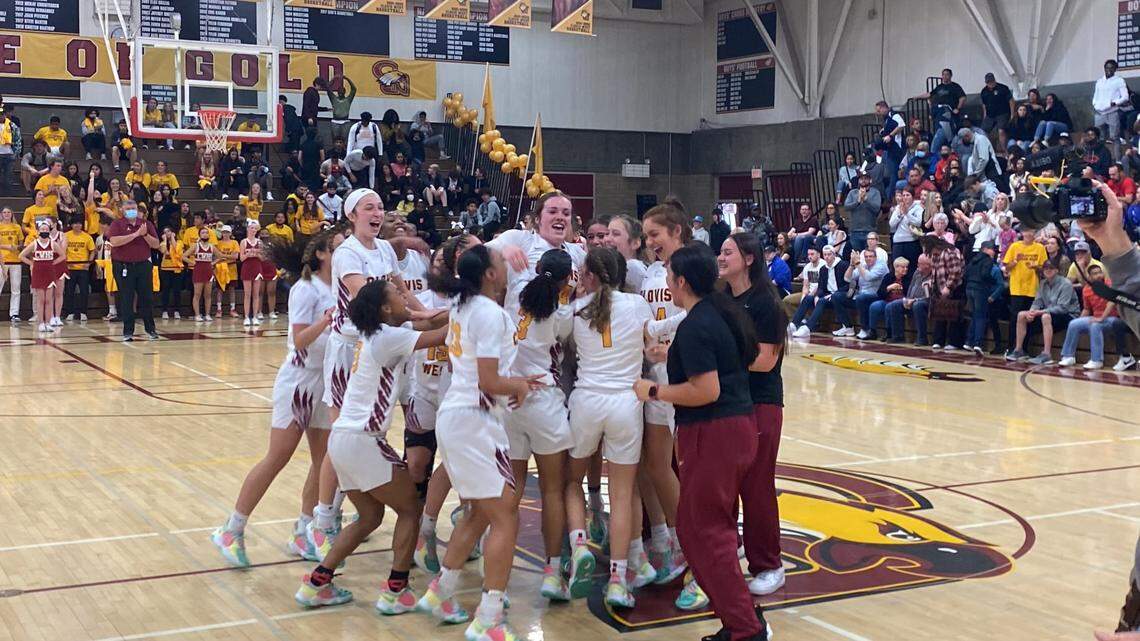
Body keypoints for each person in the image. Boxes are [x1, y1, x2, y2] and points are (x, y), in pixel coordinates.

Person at [633, 243, 769, 641]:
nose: (666, 281)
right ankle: (742, 617)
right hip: (734, 427)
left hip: (715, 432)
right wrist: (670, 355)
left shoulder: (697, 324)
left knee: (704, 533)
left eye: (670, 275)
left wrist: (654, 391)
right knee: (703, 530)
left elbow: (705, 390)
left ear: (681, 281)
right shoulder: (717, 313)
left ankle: (745, 629)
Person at [294, 277, 449, 613]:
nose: (403, 297)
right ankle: (396, 590)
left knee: (369, 517)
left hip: (345, 441)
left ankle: (318, 582)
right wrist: (474, 307)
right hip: (363, 440)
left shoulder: (375, 334)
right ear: (383, 307)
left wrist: (429, 310)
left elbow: (421, 318)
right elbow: (443, 334)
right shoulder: (389, 338)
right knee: (410, 507)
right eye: (397, 294)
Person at [416, 244, 538, 640]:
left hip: (460, 414)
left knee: (481, 513)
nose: (505, 266)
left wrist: (508, 385)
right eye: (500, 262)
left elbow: (467, 369)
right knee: (506, 515)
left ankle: (442, 592)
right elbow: (488, 381)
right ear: (489, 274)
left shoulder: (463, 307)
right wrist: (517, 384)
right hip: (474, 418)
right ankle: (488, 619)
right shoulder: (488, 313)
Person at [212, 229, 344, 567]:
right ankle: (232, 528)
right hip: (299, 380)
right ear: (322, 255)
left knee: (324, 460)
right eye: (339, 247)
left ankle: (303, 531)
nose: (346, 252)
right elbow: (300, 340)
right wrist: (326, 321)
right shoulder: (306, 289)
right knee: (278, 456)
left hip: (325, 380)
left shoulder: (342, 287)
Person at [566, 247, 659, 608]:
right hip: (626, 403)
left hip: (586, 401)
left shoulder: (575, 311)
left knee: (571, 481)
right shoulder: (637, 305)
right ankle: (620, 579)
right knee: (622, 495)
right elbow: (652, 345)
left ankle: (578, 547)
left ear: (588, 274)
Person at [500, 249, 575, 601]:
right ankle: (552, 570)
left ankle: (497, 554)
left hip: (511, 399)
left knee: (511, 489)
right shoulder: (562, 315)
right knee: (552, 490)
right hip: (543, 398)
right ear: (565, 280)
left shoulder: (515, 295)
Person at [718, 232, 787, 597]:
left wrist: (719, 364)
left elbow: (764, 361)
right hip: (730, 402)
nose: (720, 256)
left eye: (727, 251)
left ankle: (769, 564)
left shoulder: (766, 301)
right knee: (725, 483)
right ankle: (733, 547)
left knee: (756, 485)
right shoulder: (722, 297)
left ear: (748, 258)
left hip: (761, 402)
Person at [639, 202, 698, 601]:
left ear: (675, 231)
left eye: (654, 235)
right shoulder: (645, 273)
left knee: (678, 467)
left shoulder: (696, 265)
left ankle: (690, 547)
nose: (649, 243)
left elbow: (698, 311)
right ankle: (666, 540)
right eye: (644, 237)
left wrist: (654, 328)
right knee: (652, 463)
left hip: (687, 375)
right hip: (655, 376)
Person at [1058, 264, 1134, 371]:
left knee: (1095, 325)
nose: (1098, 275)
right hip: (1096, 317)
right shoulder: (1086, 290)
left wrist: (1102, 318)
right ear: (1089, 277)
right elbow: (1087, 309)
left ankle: (1097, 360)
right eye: (1095, 274)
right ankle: (1068, 356)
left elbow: (1111, 303)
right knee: (1073, 324)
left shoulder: (1110, 284)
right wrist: (1079, 320)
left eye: (1100, 272)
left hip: (1112, 319)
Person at [1007, 260, 1079, 365]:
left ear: (1057, 270)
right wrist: (1032, 312)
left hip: (1068, 315)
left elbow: (1062, 308)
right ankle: (1019, 350)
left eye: (1051, 268)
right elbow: (1038, 301)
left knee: (1045, 316)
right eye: (1046, 268)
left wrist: (1040, 312)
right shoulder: (1042, 283)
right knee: (1021, 315)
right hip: (1049, 313)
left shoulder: (1066, 284)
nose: (1048, 270)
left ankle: (1047, 354)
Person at [106, 200, 159, 341]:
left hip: (143, 265)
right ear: (122, 210)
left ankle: (151, 330)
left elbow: (156, 244)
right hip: (123, 266)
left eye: (133, 208)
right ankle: (128, 332)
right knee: (126, 298)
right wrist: (136, 235)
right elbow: (115, 241)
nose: (131, 210)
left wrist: (145, 234)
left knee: (146, 298)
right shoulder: (117, 224)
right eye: (128, 208)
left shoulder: (146, 224)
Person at [963, 240, 1005, 355]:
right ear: (985, 249)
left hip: (969, 289)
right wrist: (991, 282)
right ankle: (978, 343)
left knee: (975, 315)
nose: (994, 252)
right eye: (992, 250)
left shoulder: (973, 260)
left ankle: (969, 341)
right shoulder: (988, 261)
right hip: (980, 290)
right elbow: (985, 275)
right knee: (981, 316)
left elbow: (965, 274)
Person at [1094, 59, 1129, 158]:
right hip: (1099, 113)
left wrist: (1114, 103)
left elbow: (1125, 97)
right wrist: (1095, 104)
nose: (1109, 70)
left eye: (1111, 68)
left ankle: (1118, 161)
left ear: (1115, 69)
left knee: (1115, 137)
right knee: (1099, 138)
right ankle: (1099, 159)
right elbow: (1096, 96)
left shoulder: (1119, 80)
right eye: (1107, 68)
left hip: (1112, 112)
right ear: (1104, 68)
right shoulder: (1099, 81)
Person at [62, 215, 94, 322]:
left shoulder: (87, 237)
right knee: (69, 291)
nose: (77, 225)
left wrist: (88, 263)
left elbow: (92, 251)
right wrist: (65, 262)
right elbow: (62, 250)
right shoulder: (65, 236)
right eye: (75, 223)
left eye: (79, 223)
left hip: (83, 268)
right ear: (71, 225)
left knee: (84, 291)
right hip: (70, 267)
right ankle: (70, 312)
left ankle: (83, 312)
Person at [844, 172, 881, 252]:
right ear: (858, 180)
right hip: (855, 231)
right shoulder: (852, 193)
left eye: (866, 179)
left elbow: (877, 208)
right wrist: (858, 201)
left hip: (870, 230)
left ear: (870, 180)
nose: (863, 180)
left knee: (870, 254)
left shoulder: (875, 192)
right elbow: (846, 207)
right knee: (857, 256)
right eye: (861, 179)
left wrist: (866, 200)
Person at [187, 225, 216, 322]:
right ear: (199, 235)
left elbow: (221, 256)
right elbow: (183, 256)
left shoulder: (212, 247)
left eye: (206, 232)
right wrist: (192, 262)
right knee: (197, 294)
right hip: (198, 271)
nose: (205, 234)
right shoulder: (196, 245)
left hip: (208, 271)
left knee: (208, 295)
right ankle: (197, 315)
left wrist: (214, 262)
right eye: (203, 232)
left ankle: (207, 314)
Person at [889, 190, 923, 268]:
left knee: (911, 267)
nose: (905, 197)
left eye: (907, 195)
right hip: (898, 242)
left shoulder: (918, 208)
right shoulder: (898, 207)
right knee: (897, 267)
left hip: (912, 241)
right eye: (903, 195)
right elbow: (891, 224)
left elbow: (918, 223)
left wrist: (907, 213)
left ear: (912, 197)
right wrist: (900, 214)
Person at [157, 226, 184, 320]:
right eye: (165, 232)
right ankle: (164, 310)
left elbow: (176, 250)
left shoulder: (179, 242)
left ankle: (177, 310)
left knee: (177, 290)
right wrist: (164, 240)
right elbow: (164, 251)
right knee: (166, 290)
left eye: (168, 231)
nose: (167, 233)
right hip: (165, 269)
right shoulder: (162, 243)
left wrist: (172, 238)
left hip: (176, 269)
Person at [0, 207, 22, 322]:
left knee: (16, 288)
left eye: (9, 212)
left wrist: (16, 247)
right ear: (1, 214)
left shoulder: (17, 227)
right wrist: (6, 247)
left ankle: (14, 314)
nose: (7, 214)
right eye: (4, 212)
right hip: (2, 260)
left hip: (15, 260)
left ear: (12, 214)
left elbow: (21, 244)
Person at [326, 76, 358, 144]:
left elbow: (354, 89)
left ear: (345, 92)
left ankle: (344, 153)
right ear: (337, 92)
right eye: (339, 91)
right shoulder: (334, 98)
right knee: (335, 140)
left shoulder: (348, 99)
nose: (341, 92)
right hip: (335, 121)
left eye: (342, 91)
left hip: (345, 121)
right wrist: (333, 79)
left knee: (344, 141)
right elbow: (328, 88)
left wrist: (347, 79)